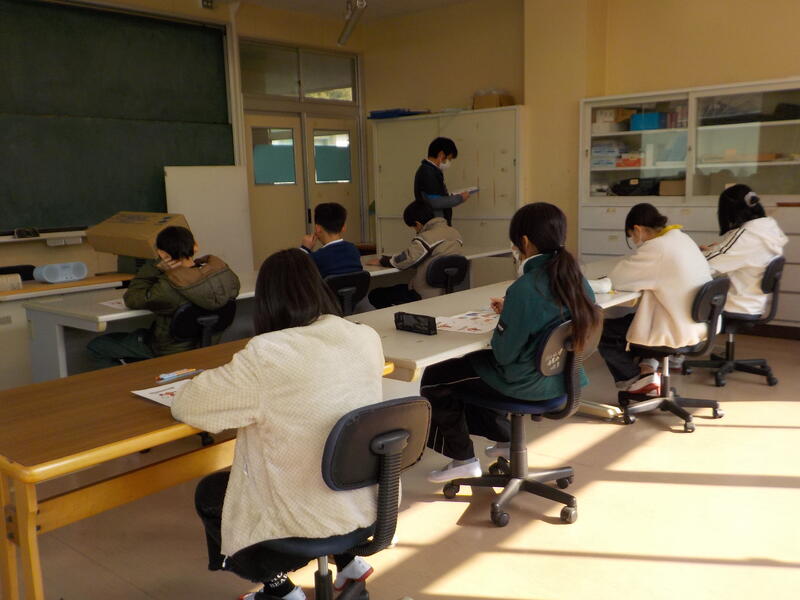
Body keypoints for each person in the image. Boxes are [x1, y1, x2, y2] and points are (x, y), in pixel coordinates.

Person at [172, 248, 385, 600]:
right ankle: (349, 562)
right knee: (324, 447)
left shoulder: (268, 353)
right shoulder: (364, 336)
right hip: (366, 502)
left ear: (266, 301)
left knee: (211, 492)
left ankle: (280, 588)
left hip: (304, 517)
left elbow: (188, 406)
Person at [419, 203, 601, 483]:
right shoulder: (577, 280)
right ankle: (504, 440)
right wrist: (513, 311)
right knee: (469, 369)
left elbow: (503, 355)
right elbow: (551, 313)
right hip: (565, 378)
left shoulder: (524, 288)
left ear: (524, 242)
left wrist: (510, 316)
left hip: (527, 384)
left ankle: (463, 459)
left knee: (436, 376)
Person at [87, 226, 240, 367]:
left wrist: (156, 268)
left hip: (170, 350)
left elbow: (132, 298)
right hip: (208, 346)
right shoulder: (226, 277)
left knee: (98, 346)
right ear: (195, 246)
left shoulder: (168, 288)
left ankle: (132, 381)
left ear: (162, 254)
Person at [600, 203, 712, 396]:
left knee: (604, 332)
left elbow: (618, 280)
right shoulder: (681, 238)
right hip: (697, 322)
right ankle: (648, 369)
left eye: (632, 236)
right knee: (633, 320)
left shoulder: (656, 248)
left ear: (637, 229)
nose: (635, 242)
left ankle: (635, 380)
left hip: (674, 326)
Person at [702, 184, 787, 315]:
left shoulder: (746, 235)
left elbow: (707, 265)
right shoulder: (768, 229)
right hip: (753, 303)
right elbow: (737, 254)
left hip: (734, 304)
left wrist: (695, 253)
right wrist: (717, 249)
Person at [366, 201, 463, 308]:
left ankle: (399, 316)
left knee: (375, 295)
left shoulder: (426, 237)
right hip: (446, 291)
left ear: (418, 224)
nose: (415, 231)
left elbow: (407, 259)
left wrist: (382, 261)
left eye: (414, 227)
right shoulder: (455, 233)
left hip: (424, 294)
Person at [414, 137, 470, 226]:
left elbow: (436, 196)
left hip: (437, 223)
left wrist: (451, 196)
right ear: (441, 155)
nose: (449, 162)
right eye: (449, 159)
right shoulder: (427, 172)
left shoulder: (432, 170)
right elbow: (435, 202)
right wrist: (460, 198)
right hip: (434, 225)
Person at [299, 202, 363, 279]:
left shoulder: (317, 257)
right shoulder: (353, 250)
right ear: (343, 228)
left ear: (318, 228)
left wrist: (304, 249)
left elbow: (294, 271)